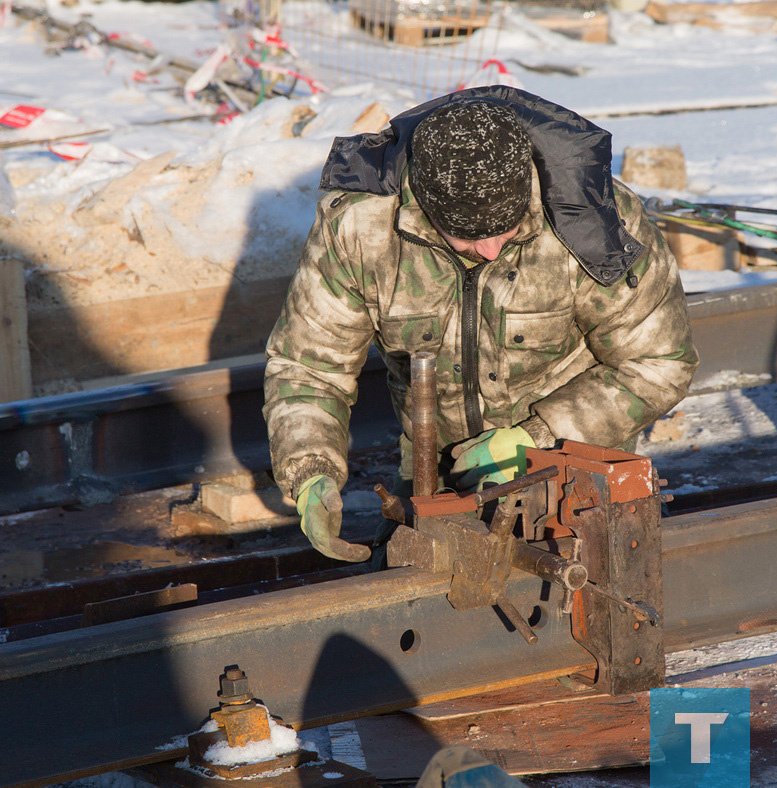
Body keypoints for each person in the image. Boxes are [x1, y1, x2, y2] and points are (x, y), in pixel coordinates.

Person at [263, 86, 699, 562]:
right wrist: (310, 472)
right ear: (425, 208)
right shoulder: (360, 229)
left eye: (505, 229)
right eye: (469, 237)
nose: (491, 250)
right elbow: (308, 368)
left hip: (574, 463)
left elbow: (659, 361)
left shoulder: (594, 219)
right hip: (434, 467)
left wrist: (535, 439)